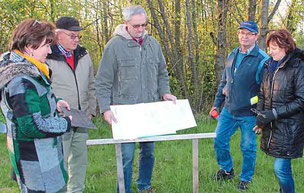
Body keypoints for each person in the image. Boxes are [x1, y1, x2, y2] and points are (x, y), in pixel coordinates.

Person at [95, 5, 176, 193]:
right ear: (126, 23)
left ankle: (144, 186)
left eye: (143, 25)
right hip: (125, 112)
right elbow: (102, 81)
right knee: (126, 156)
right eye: (136, 26)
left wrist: (165, 92)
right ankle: (123, 190)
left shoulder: (153, 44)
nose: (140, 29)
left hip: (149, 110)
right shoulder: (114, 46)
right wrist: (105, 108)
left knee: (148, 152)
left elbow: (162, 72)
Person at [0, 18, 72, 193]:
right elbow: (31, 125)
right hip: (37, 164)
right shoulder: (21, 80)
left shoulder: (26, 67)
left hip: (41, 158)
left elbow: (30, 104)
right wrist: (66, 123)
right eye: (46, 45)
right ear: (29, 46)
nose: (49, 50)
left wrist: (54, 102)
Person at [210, 20, 269, 190]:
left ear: (256, 36)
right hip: (229, 110)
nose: (244, 36)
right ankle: (227, 170)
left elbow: (266, 92)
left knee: (247, 147)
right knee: (219, 140)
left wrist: (261, 117)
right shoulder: (233, 54)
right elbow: (224, 82)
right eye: (242, 33)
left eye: (249, 33)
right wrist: (216, 105)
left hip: (249, 114)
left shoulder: (262, 59)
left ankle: (246, 178)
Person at [255, 29, 304, 193]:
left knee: (281, 168)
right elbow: (262, 93)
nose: (270, 51)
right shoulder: (268, 65)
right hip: (273, 125)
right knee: (281, 169)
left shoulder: (300, 67)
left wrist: (273, 114)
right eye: (269, 47)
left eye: (274, 48)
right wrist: (261, 118)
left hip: (291, 126)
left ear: (285, 47)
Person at [46, 16, 97, 193]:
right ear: (58, 35)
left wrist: (91, 110)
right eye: (72, 36)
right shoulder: (47, 56)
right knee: (59, 162)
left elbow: (92, 85)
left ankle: (76, 190)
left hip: (82, 118)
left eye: (78, 36)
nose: (76, 40)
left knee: (79, 161)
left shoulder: (83, 54)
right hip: (59, 119)